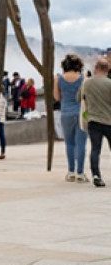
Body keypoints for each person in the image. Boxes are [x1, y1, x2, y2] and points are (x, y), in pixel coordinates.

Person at [54, 53, 87, 182]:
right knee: (81, 143)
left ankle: (71, 171)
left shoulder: (58, 79)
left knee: (69, 143)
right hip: (81, 113)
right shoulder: (83, 78)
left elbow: (57, 97)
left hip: (66, 112)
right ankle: (80, 172)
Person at [81, 57, 111, 188]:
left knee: (95, 149)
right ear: (107, 69)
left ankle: (96, 175)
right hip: (109, 120)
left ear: (96, 68)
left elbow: (79, 98)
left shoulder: (87, 83)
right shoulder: (109, 83)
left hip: (93, 120)